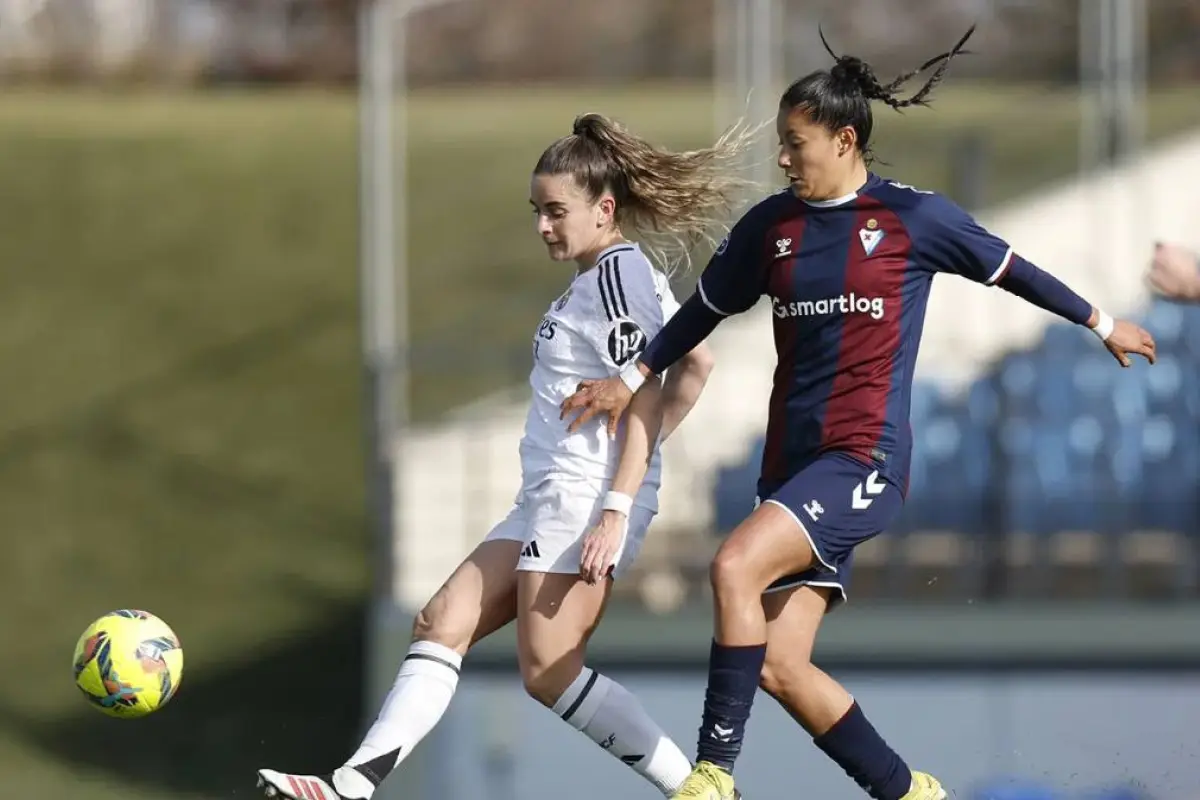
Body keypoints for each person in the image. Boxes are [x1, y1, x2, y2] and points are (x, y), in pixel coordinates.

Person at [560, 27, 1158, 800]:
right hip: (790, 467)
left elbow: (1011, 269)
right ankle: (908, 791)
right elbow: (698, 318)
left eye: (794, 143)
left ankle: (713, 774)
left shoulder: (915, 220)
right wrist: (631, 375)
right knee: (781, 662)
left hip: (863, 460)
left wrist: (1102, 324)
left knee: (732, 566)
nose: (781, 158)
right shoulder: (770, 229)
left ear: (845, 139)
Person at [256, 112, 760, 800]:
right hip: (552, 496)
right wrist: (632, 457)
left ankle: (696, 789)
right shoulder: (610, 279)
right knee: (441, 621)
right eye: (537, 211)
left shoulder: (616, 282)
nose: (542, 226)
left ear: (603, 209)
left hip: (584, 498)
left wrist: (617, 502)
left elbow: (645, 391)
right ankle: (353, 785)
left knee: (549, 671)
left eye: (556, 211)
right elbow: (694, 362)